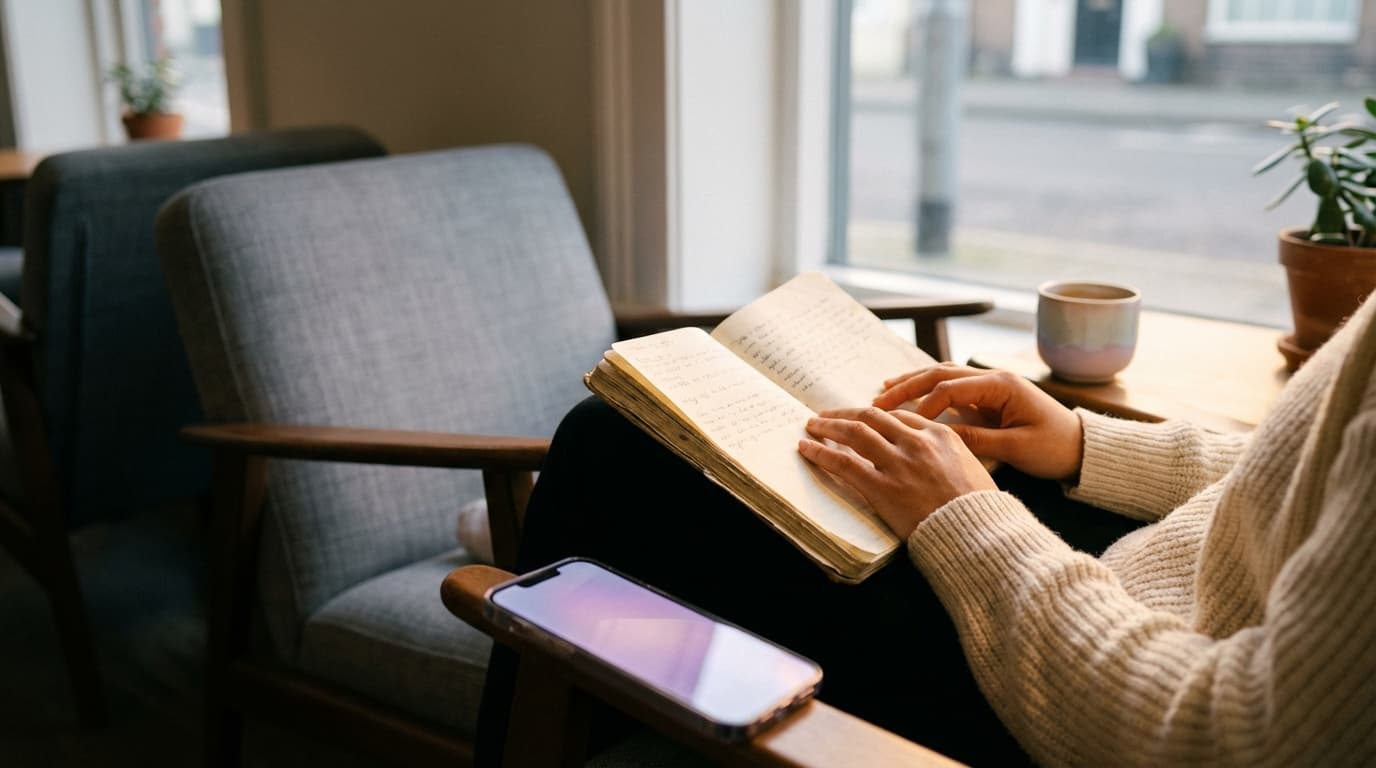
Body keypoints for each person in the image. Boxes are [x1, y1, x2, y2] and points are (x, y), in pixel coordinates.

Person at [478, 294, 1376, 767]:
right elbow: (1300, 473)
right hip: (1150, 586)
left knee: (609, 446)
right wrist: (1079, 444)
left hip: (1092, 697)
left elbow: (1232, 745)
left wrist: (960, 517)